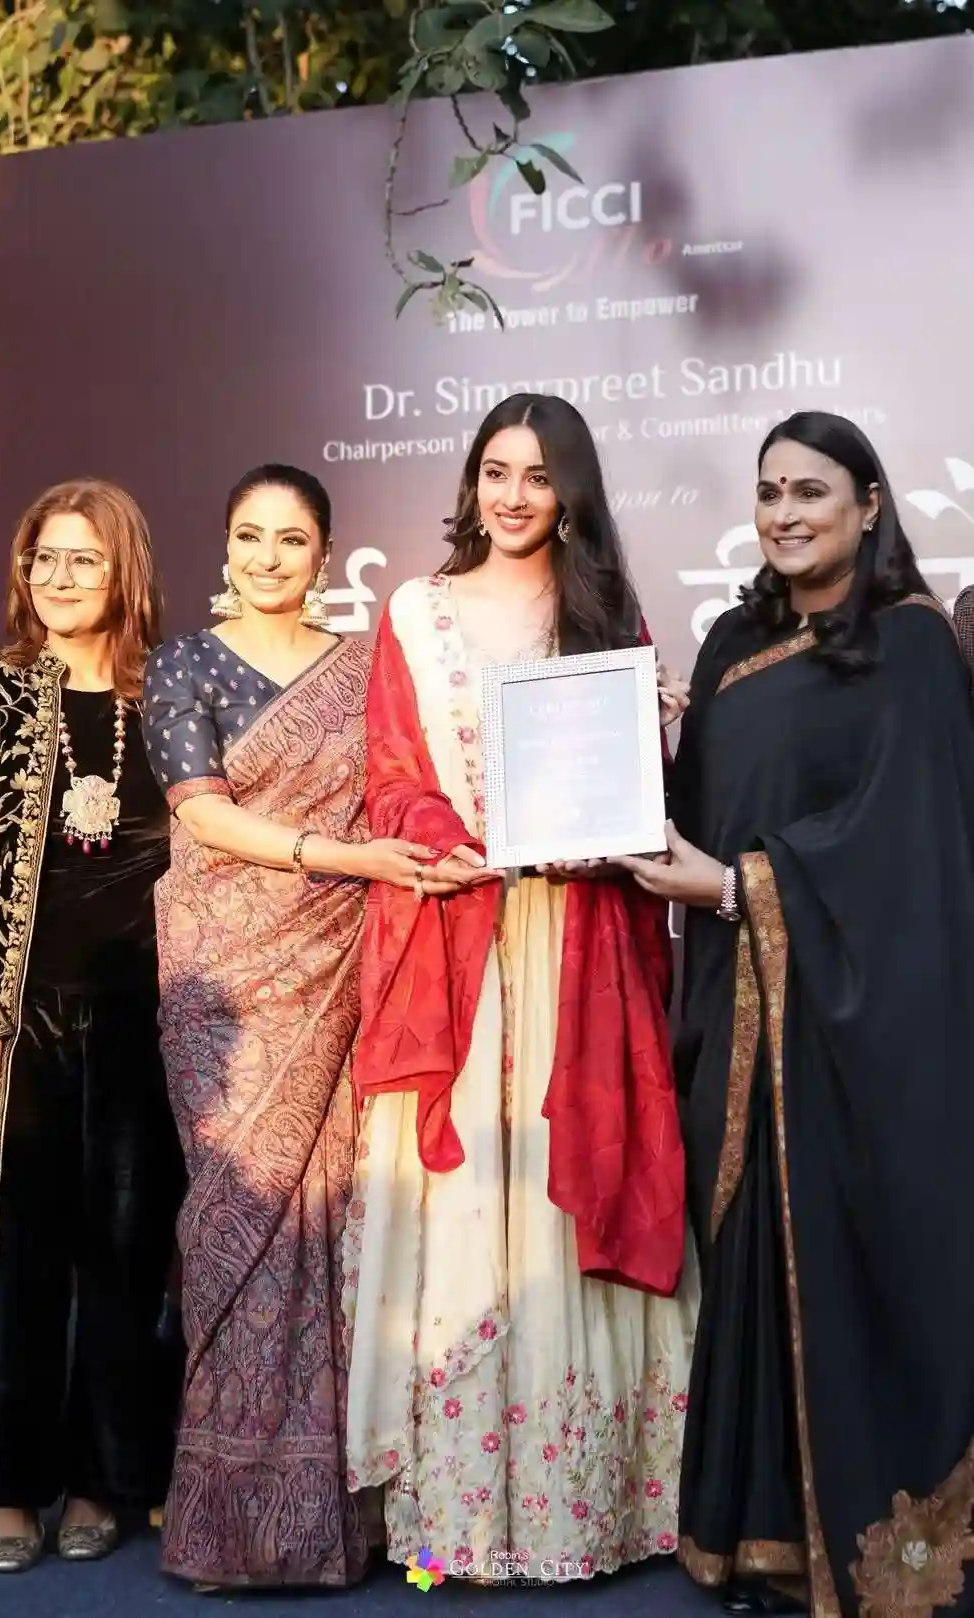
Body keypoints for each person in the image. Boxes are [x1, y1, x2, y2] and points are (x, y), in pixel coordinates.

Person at [342, 394, 700, 1584]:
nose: (510, 495)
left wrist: (649, 739)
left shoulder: (605, 612)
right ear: (470, 482)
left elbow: (633, 792)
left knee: (564, 1184)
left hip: (575, 945)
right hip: (460, 940)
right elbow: (391, 773)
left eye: (537, 477)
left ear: (569, 494)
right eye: (494, 471)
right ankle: (460, 1517)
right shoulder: (415, 609)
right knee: (468, 1208)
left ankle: (589, 1509)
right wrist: (448, 837)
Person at [625, 411, 974, 1618]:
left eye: (810, 491)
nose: (782, 512)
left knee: (841, 1253)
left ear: (868, 505)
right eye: (767, 490)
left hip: (859, 1021)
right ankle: (760, 1532)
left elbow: (905, 844)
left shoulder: (908, 644)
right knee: (747, 1254)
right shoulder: (733, 638)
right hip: (737, 1005)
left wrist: (736, 887)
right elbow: (696, 812)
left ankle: (873, 1545)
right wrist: (637, 741)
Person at [144, 463, 448, 1590]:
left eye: (290, 539)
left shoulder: (364, 668)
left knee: (335, 1222)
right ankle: (229, 1528)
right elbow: (204, 814)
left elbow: (433, 772)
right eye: (248, 536)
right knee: (239, 1213)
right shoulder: (181, 661)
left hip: (338, 963)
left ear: (325, 554)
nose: (267, 557)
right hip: (222, 979)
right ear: (225, 546)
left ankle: (336, 1518)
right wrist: (344, 856)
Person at [0, 479, 184, 1572]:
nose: (58, 577)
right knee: (12, 1261)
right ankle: (9, 1486)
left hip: (147, 1022)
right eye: (43, 557)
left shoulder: (168, 695)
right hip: (16, 1022)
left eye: (82, 558)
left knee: (126, 1256)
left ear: (123, 572)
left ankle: (104, 1477)